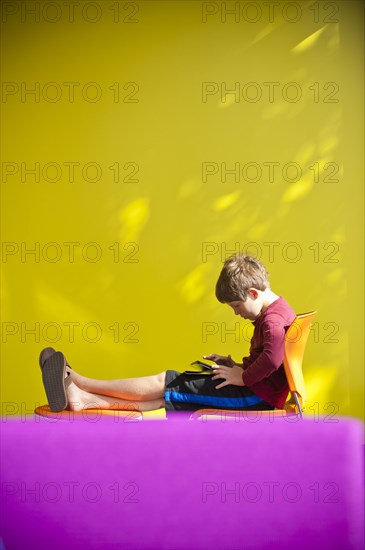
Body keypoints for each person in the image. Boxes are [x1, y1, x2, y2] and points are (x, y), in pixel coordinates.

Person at [39, 254, 296, 416]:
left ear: (252, 293)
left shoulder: (272, 320)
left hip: (252, 398)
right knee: (166, 393)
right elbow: (269, 359)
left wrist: (244, 376)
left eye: (237, 307)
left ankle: (81, 382)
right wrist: (236, 367)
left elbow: (272, 360)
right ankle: (84, 399)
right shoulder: (279, 311)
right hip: (255, 393)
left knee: (167, 382)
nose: (237, 313)